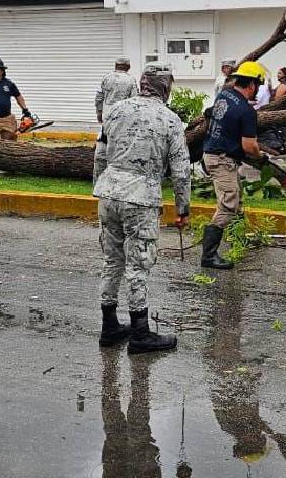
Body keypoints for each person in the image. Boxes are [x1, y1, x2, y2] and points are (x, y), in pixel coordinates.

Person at [93, 64, 191, 353]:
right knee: (138, 265)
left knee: (112, 261)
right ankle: (140, 333)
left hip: (108, 193)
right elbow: (181, 170)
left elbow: (100, 154)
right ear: (165, 88)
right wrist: (183, 207)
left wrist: (99, 187)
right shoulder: (170, 120)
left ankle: (109, 326)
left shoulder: (115, 111)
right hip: (141, 198)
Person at [199, 61, 265, 270]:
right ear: (253, 84)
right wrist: (260, 156)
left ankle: (238, 238)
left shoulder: (224, 95)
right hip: (221, 160)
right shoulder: (246, 111)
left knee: (236, 199)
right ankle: (208, 256)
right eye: (258, 86)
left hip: (213, 153)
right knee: (229, 203)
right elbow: (249, 146)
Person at [95, 56, 138, 123]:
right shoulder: (131, 79)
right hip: (123, 115)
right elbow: (134, 99)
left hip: (107, 114)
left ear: (115, 65)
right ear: (128, 67)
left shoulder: (106, 77)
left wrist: (99, 112)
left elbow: (99, 97)